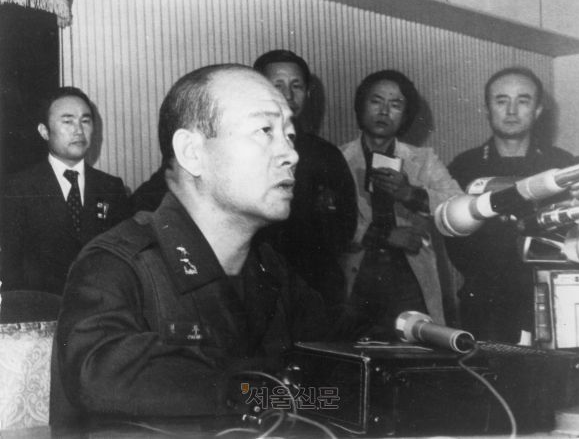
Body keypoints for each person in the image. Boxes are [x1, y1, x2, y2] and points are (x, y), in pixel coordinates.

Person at [56, 64, 343, 422]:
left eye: (290, 135)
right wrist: (261, 391)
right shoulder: (116, 264)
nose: (291, 154)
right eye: (265, 131)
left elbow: (335, 365)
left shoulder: (272, 269)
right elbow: (99, 377)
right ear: (191, 152)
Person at [446, 67, 573, 343]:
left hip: (551, 298)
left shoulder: (562, 166)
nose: (512, 111)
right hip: (486, 303)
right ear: (487, 108)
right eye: (501, 101)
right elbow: (456, 242)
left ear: (538, 110)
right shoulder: (465, 167)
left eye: (523, 101)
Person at [340, 70, 463, 337]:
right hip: (355, 281)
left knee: (417, 350)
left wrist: (410, 193)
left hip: (410, 281)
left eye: (395, 105)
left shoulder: (424, 159)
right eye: (376, 101)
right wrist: (383, 235)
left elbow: (458, 205)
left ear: (406, 114)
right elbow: (327, 222)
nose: (384, 111)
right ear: (361, 105)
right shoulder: (339, 158)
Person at [0, 87, 130, 295]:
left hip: (101, 307)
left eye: (85, 121)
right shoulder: (18, 189)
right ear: (44, 131)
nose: (78, 130)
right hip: (41, 307)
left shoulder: (111, 187)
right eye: (68, 121)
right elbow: (10, 269)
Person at [253, 50, 357, 306]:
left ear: (308, 93)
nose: (288, 96)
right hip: (257, 282)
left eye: (296, 86)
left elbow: (345, 226)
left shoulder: (326, 154)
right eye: (277, 86)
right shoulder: (243, 147)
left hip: (316, 285)